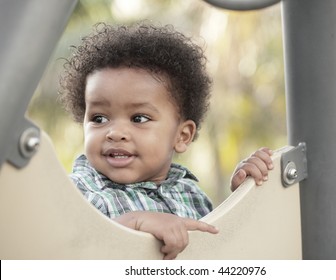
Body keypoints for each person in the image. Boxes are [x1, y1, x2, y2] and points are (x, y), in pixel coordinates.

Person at [59, 21, 273, 260]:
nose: (115, 132)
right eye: (99, 118)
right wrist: (132, 224)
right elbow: (62, 254)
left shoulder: (190, 193)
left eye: (138, 118)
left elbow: (219, 253)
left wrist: (241, 197)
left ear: (182, 136)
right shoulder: (77, 192)